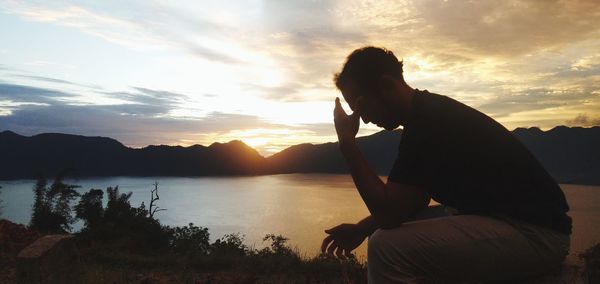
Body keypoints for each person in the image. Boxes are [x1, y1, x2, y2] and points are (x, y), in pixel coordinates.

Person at [321, 46, 571, 283]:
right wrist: (362, 228)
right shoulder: (426, 115)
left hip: (536, 234)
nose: (362, 119)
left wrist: (347, 143)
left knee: (384, 248)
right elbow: (412, 201)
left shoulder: (428, 122)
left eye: (361, 105)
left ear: (386, 85)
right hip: (520, 224)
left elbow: (389, 214)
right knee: (384, 236)